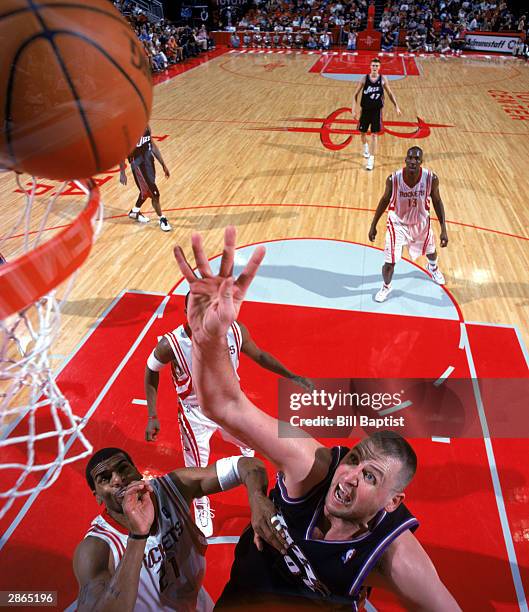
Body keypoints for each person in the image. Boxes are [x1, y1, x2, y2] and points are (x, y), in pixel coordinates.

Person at [171, 227, 461, 610]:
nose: (349, 476)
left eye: (369, 476)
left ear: (392, 503)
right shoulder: (311, 465)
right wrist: (208, 342)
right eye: (355, 460)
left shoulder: (398, 558)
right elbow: (226, 406)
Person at [145, 292, 313, 537]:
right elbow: (151, 369)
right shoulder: (171, 344)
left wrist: (293, 376)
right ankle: (202, 505)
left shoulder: (234, 331)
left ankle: (248, 456)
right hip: (196, 416)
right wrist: (152, 414)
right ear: (187, 315)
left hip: (230, 407)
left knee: (254, 443)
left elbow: (261, 355)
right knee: (198, 467)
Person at [73, 447, 287, 611]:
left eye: (123, 469)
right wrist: (138, 535)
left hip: (195, 603)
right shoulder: (96, 548)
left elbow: (247, 465)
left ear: (137, 471)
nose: (118, 480)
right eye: (105, 479)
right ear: (97, 496)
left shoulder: (172, 487)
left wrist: (257, 498)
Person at [368, 146, 448, 302]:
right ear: (405, 160)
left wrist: (444, 229)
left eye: (417, 159)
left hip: (421, 223)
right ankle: (386, 286)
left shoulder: (431, 178)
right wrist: (373, 224)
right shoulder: (394, 179)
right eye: (410, 158)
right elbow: (384, 200)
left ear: (421, 162)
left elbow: (437, 201)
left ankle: (433, 268)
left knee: (431, 251)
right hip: (398, 224)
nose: (413, 161)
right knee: (389, 262)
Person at [352, 57, 401, 171]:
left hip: (376, 111)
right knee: (362, 133)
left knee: (374, 134)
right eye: (373, 65)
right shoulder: (364, 79)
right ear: (370, 66)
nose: (374, 68)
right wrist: (353, 109)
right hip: (365, 111)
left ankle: (371, 159)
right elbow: (355, 94)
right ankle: (366, 148)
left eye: (376, 66)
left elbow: (390, 93)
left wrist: (396, 106)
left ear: (379, 67)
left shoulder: (383, 79)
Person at [119, 125, 172, 232]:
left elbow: (152, 146)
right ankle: (162, 218)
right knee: (155, 194)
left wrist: (163, 164)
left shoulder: (146, 127)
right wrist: (122, 172)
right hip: (137, 165)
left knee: (146, 191)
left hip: (148, 162)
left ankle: (135, 211)